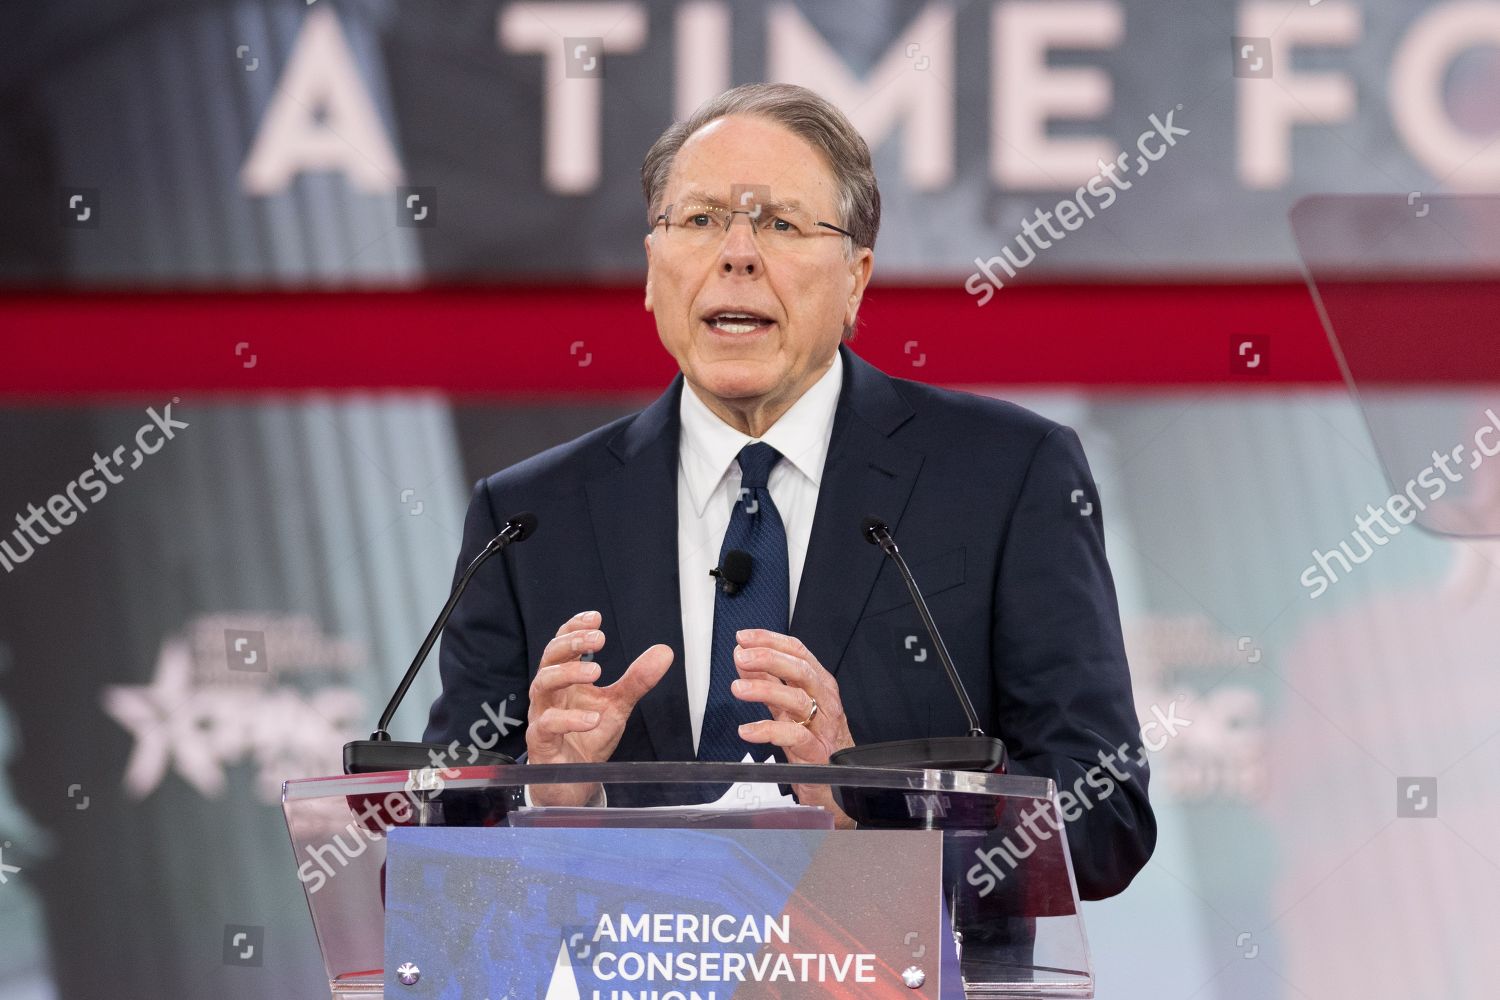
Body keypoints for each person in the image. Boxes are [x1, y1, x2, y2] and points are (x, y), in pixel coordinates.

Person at [425, 82, 1154, 899]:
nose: (737, 254)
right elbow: (430, 876)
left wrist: (869, 816)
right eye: (699, 221)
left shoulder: (1009, 476)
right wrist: (548, 801)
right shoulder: (527, 519)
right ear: (651, 268)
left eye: (779, 223)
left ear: (856, 279)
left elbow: (1105, 817)